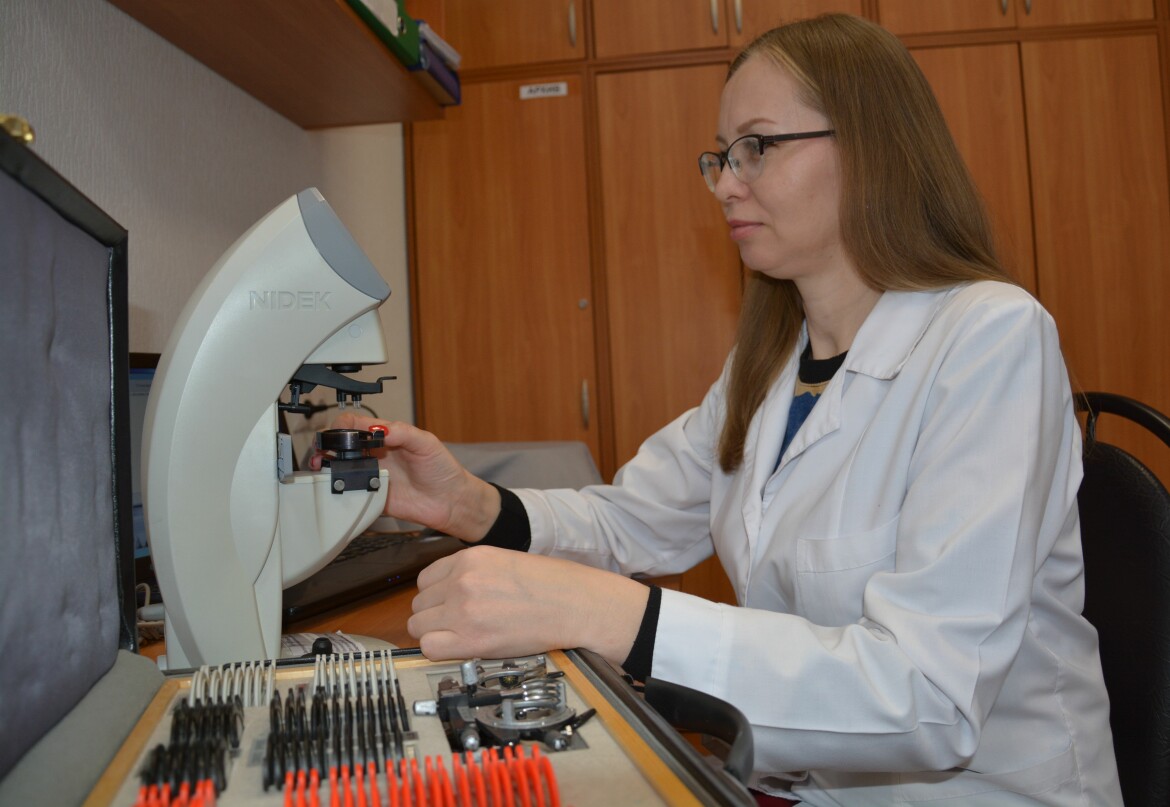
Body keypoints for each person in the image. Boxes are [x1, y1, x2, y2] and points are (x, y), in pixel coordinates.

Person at [324, 13, 1121, 805]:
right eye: (721, 156)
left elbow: (931, 695)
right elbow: (630, 521)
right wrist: (467, 504)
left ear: (870, 146)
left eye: (758, 147)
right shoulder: (768, 365)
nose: (726, 183)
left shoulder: (989, 338)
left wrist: (622, 618)